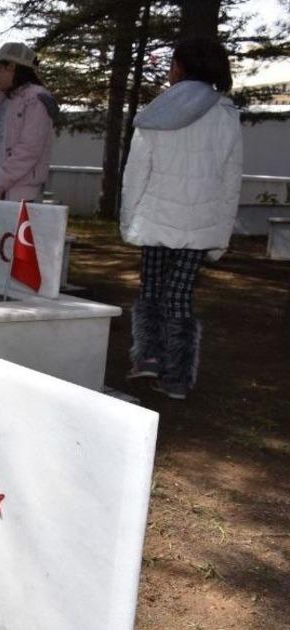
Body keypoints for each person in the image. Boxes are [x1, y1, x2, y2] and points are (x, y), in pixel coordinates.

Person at [120, 38, 242, 400]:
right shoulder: (224, 114)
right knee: (179, 295)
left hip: (156, 217)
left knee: (152, 288)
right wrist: (221, 235)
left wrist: (129, 220)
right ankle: (177, 375)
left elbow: (136, 173)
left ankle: (149, 357)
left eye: (173, 64)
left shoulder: (157, 111)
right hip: (200, 223)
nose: (170, 71)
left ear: (185, 66)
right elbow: (230, 180)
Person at [0, 42, 58, 202]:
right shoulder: (0, 101)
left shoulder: (36, 99)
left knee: (13, 229)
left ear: (11, 66)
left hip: (19, 197)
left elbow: (29, 149)